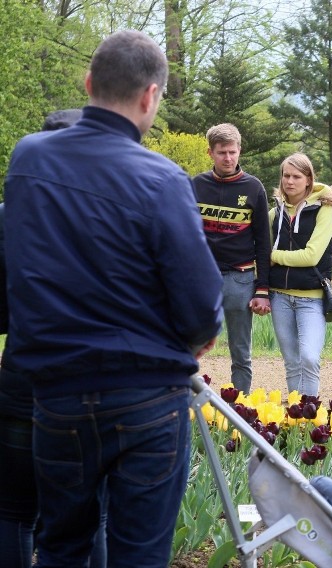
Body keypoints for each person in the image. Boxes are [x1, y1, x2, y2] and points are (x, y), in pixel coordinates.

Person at [3, 30, 223, 567]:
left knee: (61, 547)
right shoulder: (162, 178)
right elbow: (199, 301)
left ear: (87, 83)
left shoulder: (28, 160)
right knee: (139, 555)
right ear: (151, 96)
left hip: (56, 393)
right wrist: (196, 340)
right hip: (145, 393)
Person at [0, 110, 107, 568]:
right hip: (97, 383)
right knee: (93, 515)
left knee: (13, 512)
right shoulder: (116, 217)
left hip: (25, 375)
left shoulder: (8, 217)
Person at [194, 123, 272, 394]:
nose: (228, 158)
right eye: (221, 153)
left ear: (240, 151)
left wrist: (263, 289)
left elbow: (263, 242)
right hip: (201, 279)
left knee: (240, 351)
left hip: (239, 279)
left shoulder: (253, 188)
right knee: (190, 344)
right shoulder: (196, 185)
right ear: (210, 153)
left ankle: (241, 410)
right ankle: (191, 405)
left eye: (232, 152)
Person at [268, 153, 332, 396]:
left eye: (296, 176)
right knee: (292, 362)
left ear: (309, 180)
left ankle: (310, 414)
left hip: (312, 298)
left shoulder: (324, 210)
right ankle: (296, 421)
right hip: (279, 297)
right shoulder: (274, 214)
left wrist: (273, 256)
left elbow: (311, 256)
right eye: (286, 176)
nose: (289, 181)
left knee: (310, 359)